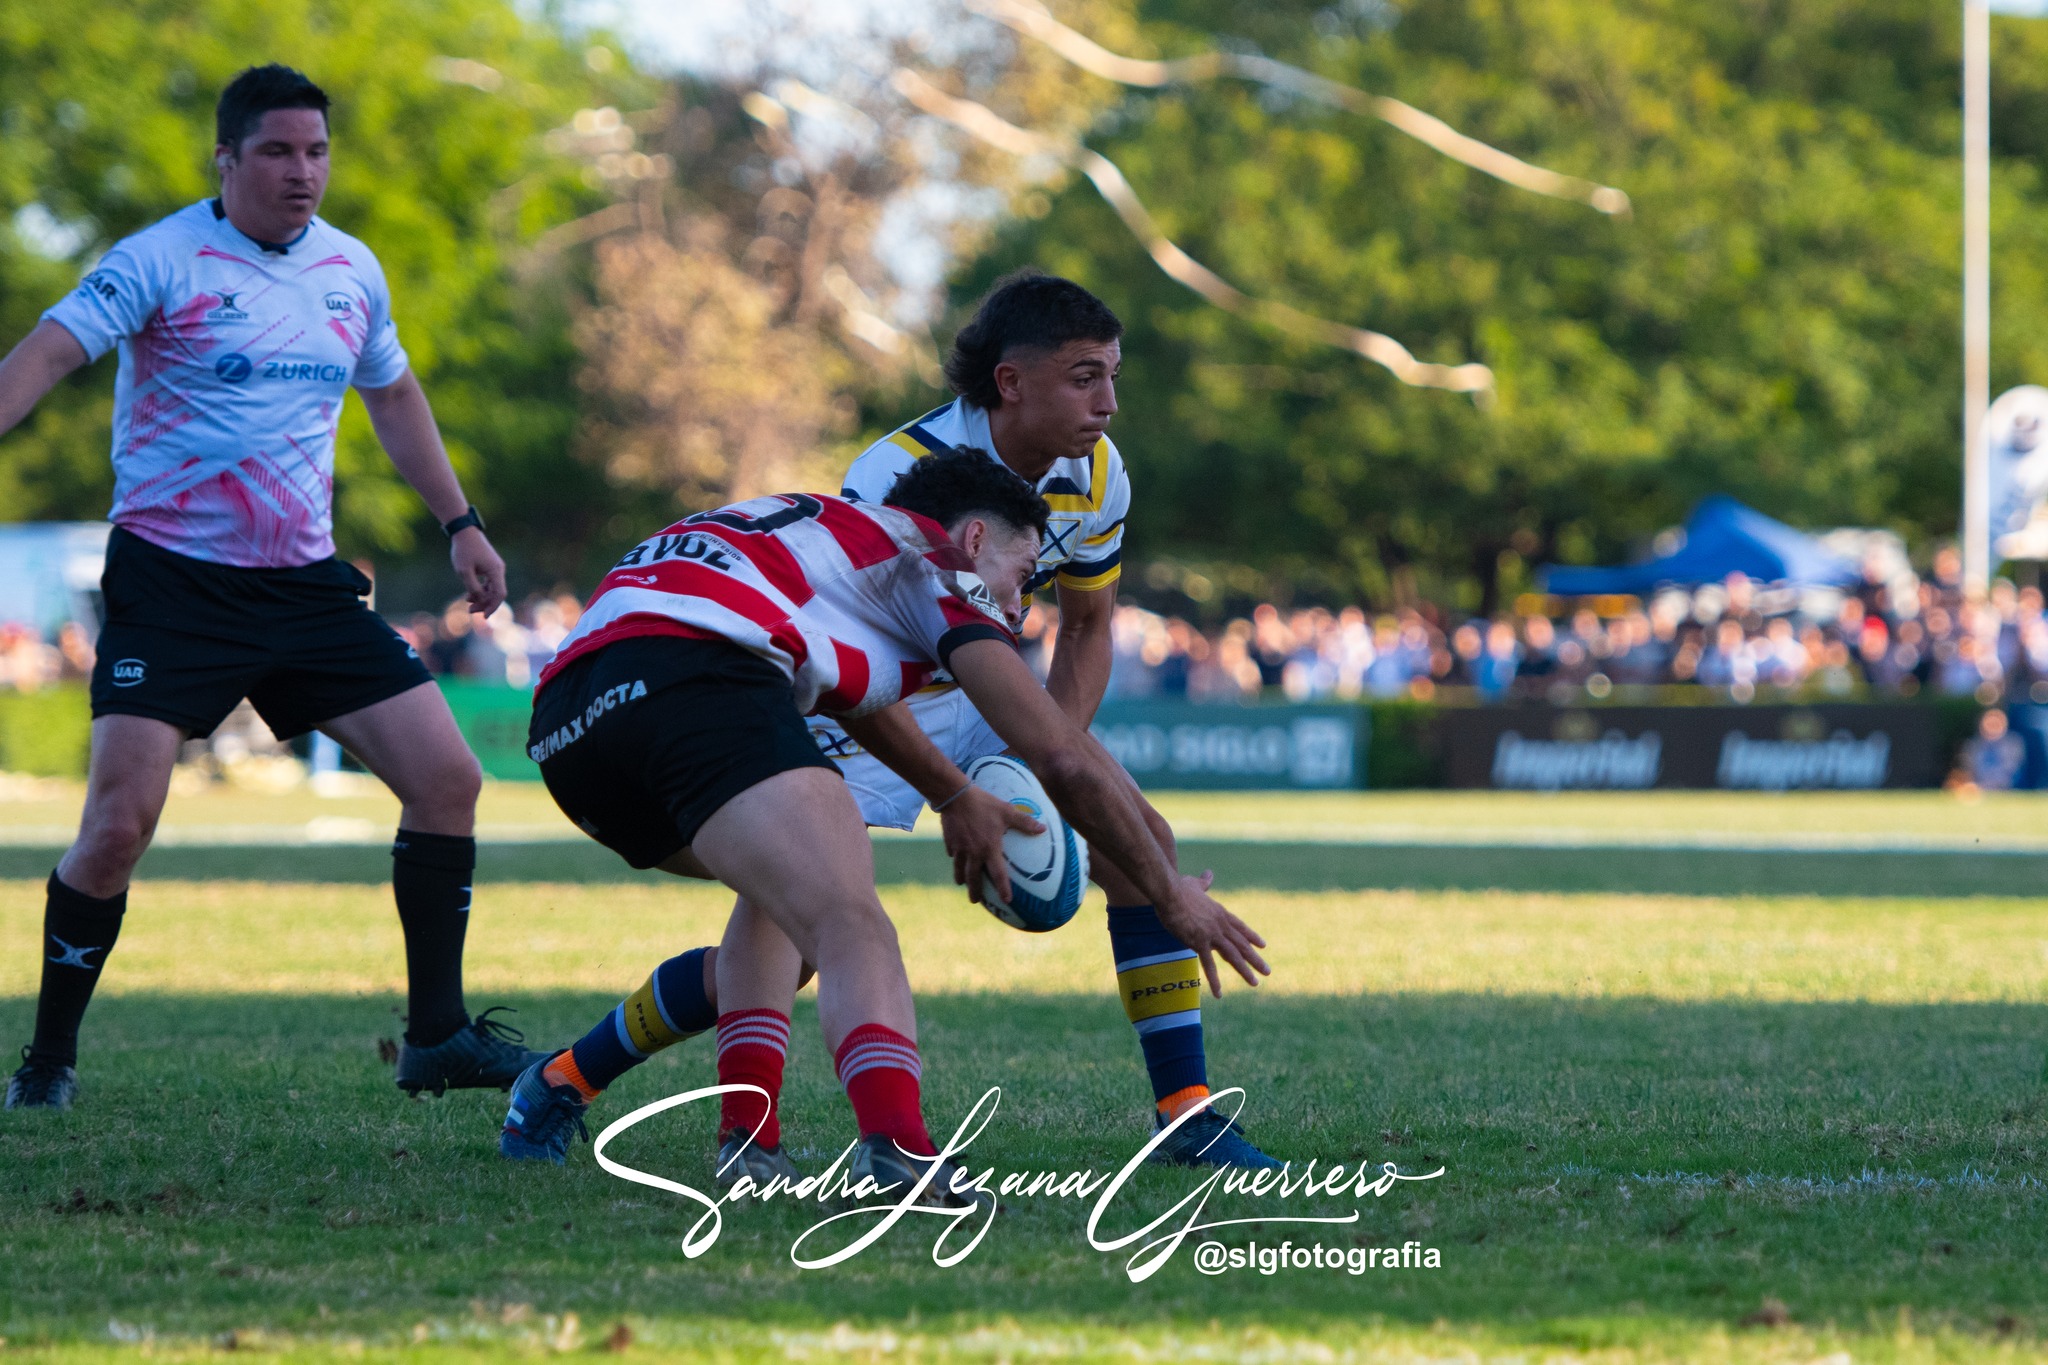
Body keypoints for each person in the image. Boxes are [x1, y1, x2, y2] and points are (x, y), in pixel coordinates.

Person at [606, 272, 1279, 1176]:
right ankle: (610, 1089)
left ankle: (1186, 1113)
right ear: (1010, 382)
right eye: (1085, 377)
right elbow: (860, 649)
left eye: (1113, 376)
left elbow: (1086, 628)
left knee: (1135, 837)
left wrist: (1039, 760)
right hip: (874, 693)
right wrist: (955, 785)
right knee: (794, 914)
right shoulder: (896, 473)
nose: (1108, 404)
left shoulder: (1101, 476)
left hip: (985, 684)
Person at [498, 449, 1269, 1205]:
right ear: (973, 541)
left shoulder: (822, 536)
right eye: (1021, 573)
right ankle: (899, 1150)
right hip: (692, 678)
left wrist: (951, 793)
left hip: (572, 730)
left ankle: (728, 1138)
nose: (1021, 605)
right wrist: (1172, 896)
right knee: (849, 918)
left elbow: (851, 694)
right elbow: (1061, 756)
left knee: (790, 907)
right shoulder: (933, 559)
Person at [0, 65, 543, 1110]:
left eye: (317, 152)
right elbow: (49, 354)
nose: (303, 173)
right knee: (118, 825)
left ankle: (435, 1036)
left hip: (302, 590)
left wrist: (461, 522)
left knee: (447, 781)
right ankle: (47, 1063)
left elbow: (393, 395)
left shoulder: (351, 270)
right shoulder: (160, 259)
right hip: (171, 586)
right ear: (228, 159)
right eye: (279, 152)